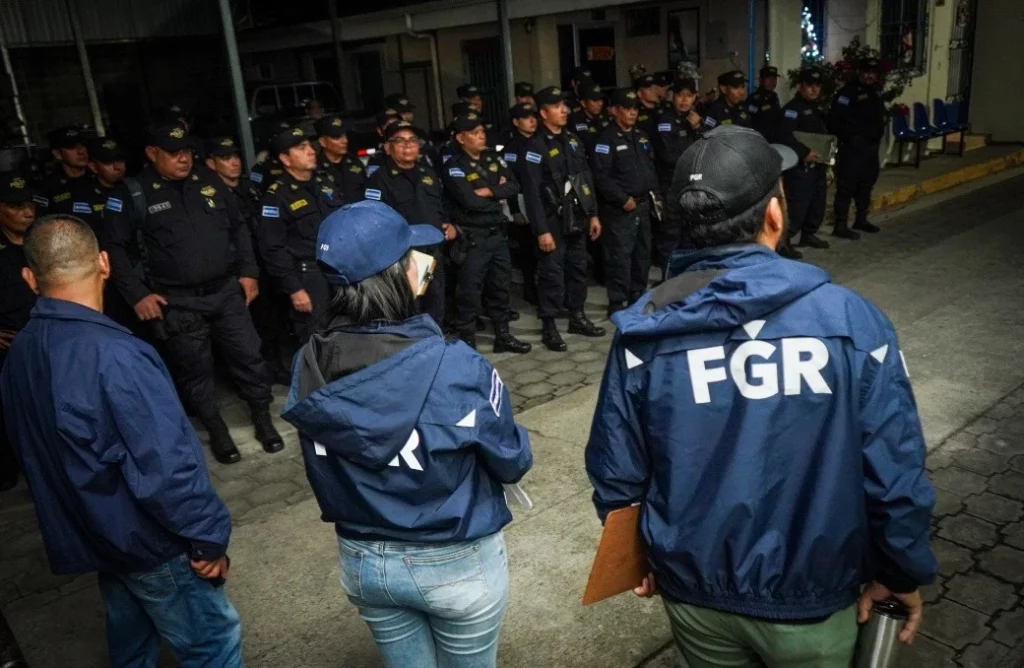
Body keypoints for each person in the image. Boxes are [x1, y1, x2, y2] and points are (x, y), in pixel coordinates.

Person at [587, 125, 937, 668]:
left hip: (695, 598)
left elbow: (617, 473)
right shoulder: (851, 322)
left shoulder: (643, 331)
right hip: (814, 601)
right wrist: (900, 571)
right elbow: (894, 469)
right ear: (774, 213)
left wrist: (637, 558)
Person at [281, 200, 532, 668]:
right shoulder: (457, 365)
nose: (425, 263)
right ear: (398, 275)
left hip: (363, 561)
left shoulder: (308, 364)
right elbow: (512, 460)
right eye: (413, 255)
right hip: (454, 561)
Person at [1, 214, 243, 667]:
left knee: (132, 644)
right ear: (105, 263)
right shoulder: (117, 355)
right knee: (214, 645)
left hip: (100, 536)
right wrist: (208, 538)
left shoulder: (22, 351)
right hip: (149, 544)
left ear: (30, 278)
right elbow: (166, 468)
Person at [103, 122, 283, 464]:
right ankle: (216, 429)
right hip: (177, 300)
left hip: (226, 291)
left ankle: (263, 418)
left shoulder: (208, 179)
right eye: (173, 153)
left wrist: (249, 272)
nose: (183, 158)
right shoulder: (134, 193)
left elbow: (239, 227)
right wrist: (137, 294)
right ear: (152, 153)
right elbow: (115, 248)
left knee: (249, 355)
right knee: (194, 369)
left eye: (186, 151)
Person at [520, 86, 605, 352]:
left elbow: (585, 180)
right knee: (552, 274)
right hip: (552, 221)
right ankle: (549, 325)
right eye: (557, 107)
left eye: (564, 105)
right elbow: (532, 194)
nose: (564, 110)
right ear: (544, 113)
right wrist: (541, 230)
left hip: (577, 217)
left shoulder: (573, 141)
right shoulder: (535, 147)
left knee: (578, 268)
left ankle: (577, 316)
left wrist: (593, 214)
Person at [205, 135, 292, 386]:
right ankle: (248, 378)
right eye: (225, 158)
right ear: (211, 163)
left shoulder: (249, 186)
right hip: (234, 272)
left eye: (235, 156)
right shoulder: (208, 194)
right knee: (243, 329)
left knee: (271, 321)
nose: (234, 162)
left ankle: (275, 367)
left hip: (261, 265)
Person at [441, 114, 531, 353]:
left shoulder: (492, 158)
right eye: (474, 133)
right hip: (473, 237)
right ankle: (468, 339)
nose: (481, 136)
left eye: (482, 131)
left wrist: (490, 191)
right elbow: (469, 201)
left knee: (500, 287)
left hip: (497, 235)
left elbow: (514, 186)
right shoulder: (454, 166)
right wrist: (498, 194)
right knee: (469, 291)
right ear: (461, 138)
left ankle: (503, 335)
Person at [258, 125, 344, 346]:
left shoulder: (324, 183)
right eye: (301, 148)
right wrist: (294, 288)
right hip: (309, 277)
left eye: (309, 146)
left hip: (339, 270)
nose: (311, 151)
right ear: (285, 159)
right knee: (318, 340)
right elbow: (273, 248)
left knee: (347, 332)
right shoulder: (277, 196)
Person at [364, 121, 452, 327]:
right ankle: (415, 345)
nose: (408, 145)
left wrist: (447, 223)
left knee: (436, 305)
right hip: (405, 256)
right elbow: (374, 220)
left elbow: (441, 204)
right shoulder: (379, 180)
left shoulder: (428, 173)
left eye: (412, 140)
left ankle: (434, 342)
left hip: (433, 250)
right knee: (411, 310)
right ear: (388, 148)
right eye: (400, 141)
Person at [590, 89, 660, 316]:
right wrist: (622, 199)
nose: (632, 112)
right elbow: (601, 177)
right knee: (619, 256)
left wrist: (656, 196)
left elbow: (650, 169)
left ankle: (637, 296)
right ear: (614, 110)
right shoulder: (605, 139)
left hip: (643, 205)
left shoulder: (640, 136)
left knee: (642, 254)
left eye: (635, 108)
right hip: (620, 209)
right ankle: (617, 302)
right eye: (627, 108)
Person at [0, 174, 38, 492]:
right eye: (16, 206)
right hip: (9, 349)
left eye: (29, 204)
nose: (27, 212)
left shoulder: (45, 239)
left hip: (50, 342)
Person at [652, 77, 703, 278]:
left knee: (692, 235)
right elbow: (667, 156)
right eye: (680, 95)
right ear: (673, 97)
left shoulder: (696, 120)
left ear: (695, 98)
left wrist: (697, 128)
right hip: (672, 187)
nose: (684, 100)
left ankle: (687, 279)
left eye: (689, 96)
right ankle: (668, 280)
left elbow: (708, 146)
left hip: (693, 187)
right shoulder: (665, 121)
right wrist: (693, 159)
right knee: (671, 237)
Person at [829, 57, 885, 237]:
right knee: (846, 187)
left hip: (870, 149)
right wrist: (851, 138)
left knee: (866, 185)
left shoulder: (875, 93)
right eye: (867, 72)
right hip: (852, 150)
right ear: (860, 72)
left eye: (873, 73)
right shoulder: (847, 93)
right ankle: (840, 225)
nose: (870, 76)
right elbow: (835, 121)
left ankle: (861, 219)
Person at [779, 67, 833, 252]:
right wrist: (803, 153)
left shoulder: (817, 107)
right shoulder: (792, 109)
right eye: (810, 85)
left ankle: (809, 234)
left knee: (817, 202)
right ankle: (784, 241)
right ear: (801, 86)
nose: (814, 89)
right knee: (797, 204)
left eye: (817, 85)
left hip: (817, 164)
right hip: (800, 166)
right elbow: (784, 135)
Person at [504, 103, 540, 306]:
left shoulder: (540, 141)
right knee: (527, 251)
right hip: (522, 201)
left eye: (533, 116)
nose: (532, 121)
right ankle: (530, 289)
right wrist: (515, 210)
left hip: (542, 201)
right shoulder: (512, 147)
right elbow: (510, 181)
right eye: (526, 118)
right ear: (516, 122)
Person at [36, 126, 92, 216]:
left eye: (83, 145)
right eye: (72, 147)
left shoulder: (101, 178)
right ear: (57, 154)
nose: (81, 151)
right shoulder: (48, 188)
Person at [316, 115, 366, 204]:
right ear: (323, 142)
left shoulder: (355, 162)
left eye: (345, 135)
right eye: (337, 137)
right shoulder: (315, 168)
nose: (345, 140)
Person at [568, 80, 609, 155]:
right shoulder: (574, 121)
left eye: (601, 100)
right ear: (583, 103)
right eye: (595, 100)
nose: (600, 103)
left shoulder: (606, 116)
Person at [747, 65, 782, 141]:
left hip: (775, 138)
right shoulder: (754, 98)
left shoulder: (774, 96)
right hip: (760, 139)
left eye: (774, 78)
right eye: (769, 78)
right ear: (761, 80)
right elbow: (751, 122)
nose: (772, 81)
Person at [633, 73, 661, 140]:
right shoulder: (634, 112)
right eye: (650, 89)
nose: (654, 91)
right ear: (639, 93)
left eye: (655, 88)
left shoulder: (663, 108)